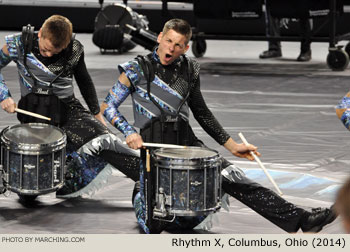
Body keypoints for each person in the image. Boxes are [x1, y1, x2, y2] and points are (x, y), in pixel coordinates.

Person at [101, 18, 337, 233]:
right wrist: (129, 131)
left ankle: (302, 220)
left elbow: (201, 112)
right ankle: (140, 192)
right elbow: (108, 107)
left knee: (238, 181)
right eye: (168, 41)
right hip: (154, 152)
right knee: (155, 226)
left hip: (186, 144)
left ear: (186, 47)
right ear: (160, 38)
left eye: (178, 45)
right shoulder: (136, 68)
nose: (171, 49)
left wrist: (232, 146)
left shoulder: (190, 69)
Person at [0, 15, 140, 198]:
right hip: (32, 114)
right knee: (28, 190)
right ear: (40, 33)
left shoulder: (74, 49)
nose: (49, 54)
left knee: (103, 140)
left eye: (54, 52)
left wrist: (96, 113)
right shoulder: (19, 43)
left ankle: (147, 177)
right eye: (45, 49)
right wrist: (4, 96)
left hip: (67, 109)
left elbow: (84, 80)